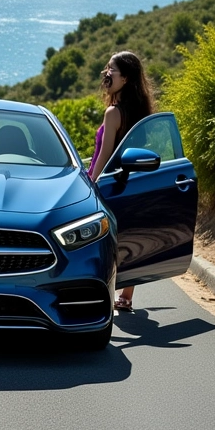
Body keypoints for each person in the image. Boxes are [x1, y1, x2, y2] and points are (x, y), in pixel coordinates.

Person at [87, 50, 155, 312]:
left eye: (111, 70)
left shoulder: (113, 113)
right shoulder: (142, 113)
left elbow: (104, 156)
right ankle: (126, 296)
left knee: (104, 240)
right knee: (129, 236)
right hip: (133, 181)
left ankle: (102, 291)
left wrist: (91, 185)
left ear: (125, 78)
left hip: (108, 183)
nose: (106, 73)